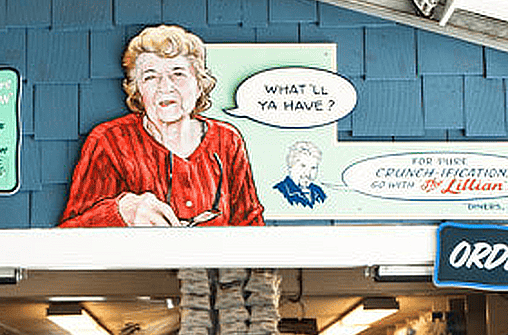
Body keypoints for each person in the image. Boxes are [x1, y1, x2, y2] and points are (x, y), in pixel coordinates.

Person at [59, 24, 264, 228]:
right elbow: (67, 236)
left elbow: (251, 226)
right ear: (137, 89)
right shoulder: (110, 141)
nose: (165, 87)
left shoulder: (227, 140)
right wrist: (121, 212)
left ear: (199, 84)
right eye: (150, 77)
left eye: (178, 74)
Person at [274, 141, 327, 208]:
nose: (308, 174)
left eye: (313, 168)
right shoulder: (279, 192)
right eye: (303, 166)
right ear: (290, 166)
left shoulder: (318, 192)